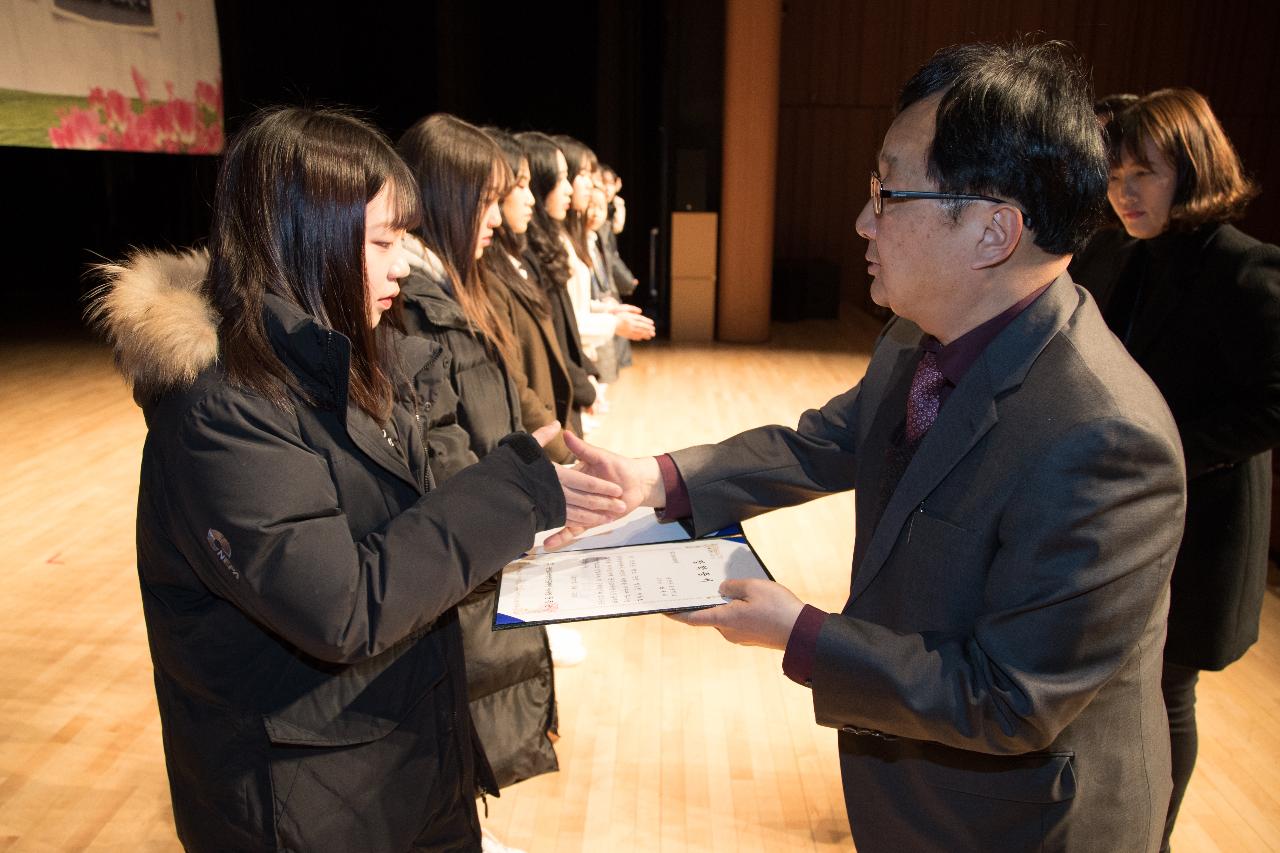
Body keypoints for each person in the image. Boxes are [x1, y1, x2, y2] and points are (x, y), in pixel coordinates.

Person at [554, 41, 1187, 852]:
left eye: (887, 191)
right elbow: (828, 441)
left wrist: (802, 632)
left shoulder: (1106, 438)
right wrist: (660, 478)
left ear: (995, 231)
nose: (862, 219)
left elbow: (1010, 697)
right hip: (914, 786)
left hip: (1020, 822)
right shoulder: (917, 336)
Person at [87, 107, 621, 852]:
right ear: (308, 243)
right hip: (307, 801)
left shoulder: (350, 357)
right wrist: (513, 496)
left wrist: (522, 531)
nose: (404, 262)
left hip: (399, 762)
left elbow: (408, 541)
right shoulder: (219, 411)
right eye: (383, 241)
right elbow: (341, 604)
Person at [1069, 87, 1280, 852]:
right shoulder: (1133, 255)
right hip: (1135, 514)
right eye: (1115, 175)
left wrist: (1162, 449)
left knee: (1169, 691)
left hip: (1202, 523)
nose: (1123, 193)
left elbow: (1272, 404)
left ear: (1191, 169)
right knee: (1126, 688)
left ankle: (1150, 839)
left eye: (1143, 175)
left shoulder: (1246, 268)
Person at [394, 113, 567, 841]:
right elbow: (443, 455)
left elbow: (496, 411)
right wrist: (526, 519)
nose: (498, 218)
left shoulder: (460, 288)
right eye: (487, 200)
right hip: (469, 552)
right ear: (443, 199)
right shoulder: (409, 307)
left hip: (491, 537)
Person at [479, 128, 577, 464]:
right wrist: (565, 452)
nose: (531, 197)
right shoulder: (489, 276)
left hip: (550, 434)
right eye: (520, 185)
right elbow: (515, 383)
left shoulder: (515, 261)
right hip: (536, 448)